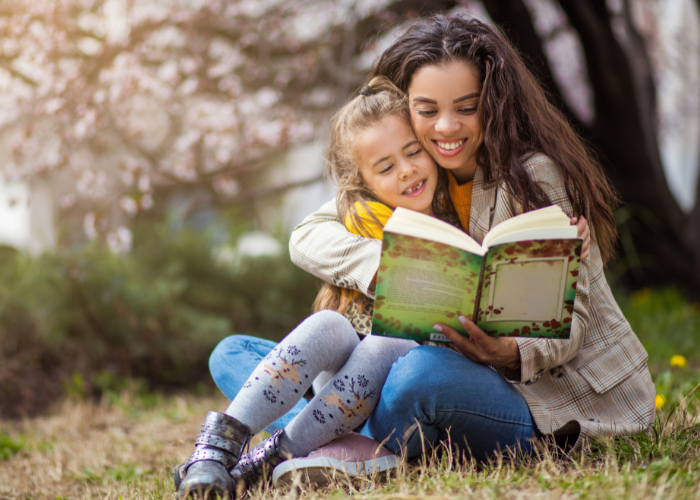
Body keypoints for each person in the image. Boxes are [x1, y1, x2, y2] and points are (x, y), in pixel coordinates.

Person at [289, 14, 655, 462]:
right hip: (428, 377)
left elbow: (573, 325)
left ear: (494, 102)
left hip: (541, 400)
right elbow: (308, 233)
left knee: (414, 376)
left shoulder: (532, 177)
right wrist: (382, 263)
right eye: (427, 111)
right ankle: (345, 438)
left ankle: (318, 439)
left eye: (467, 107)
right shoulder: (419, 173)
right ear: (406, 110)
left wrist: (507, 351)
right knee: (236, 353)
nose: (446, 128)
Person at [174, 77, 465, 499]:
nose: (406, 171)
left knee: (383, 346)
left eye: (413, 152)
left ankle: (278, 453)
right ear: (362, 180)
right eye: (385, 167)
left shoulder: (463, 218)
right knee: (251, 346)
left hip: (399, 407)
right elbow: (302, 238)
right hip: (337, 394)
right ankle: (213, 455)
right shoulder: (355, 222)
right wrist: (383, 263)